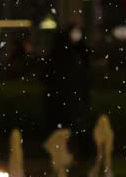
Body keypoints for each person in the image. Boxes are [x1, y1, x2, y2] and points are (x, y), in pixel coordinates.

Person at [43, 25, 92, 155]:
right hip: (71, 105)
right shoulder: (70, 59)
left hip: (64, 105)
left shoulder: (62, 57)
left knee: (63, 141)